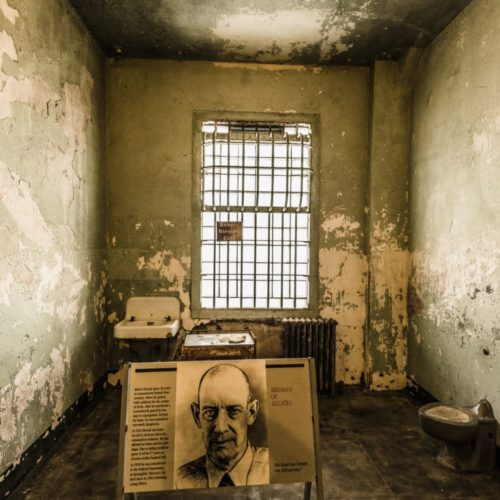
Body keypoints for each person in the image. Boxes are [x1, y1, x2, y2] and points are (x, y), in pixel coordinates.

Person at [175, 363, 269, 489]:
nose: (220, 428)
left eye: (233, 411)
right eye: (210, 412)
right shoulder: (179, 482)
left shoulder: (276, 468)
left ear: (251, 412)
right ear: (197, 416)